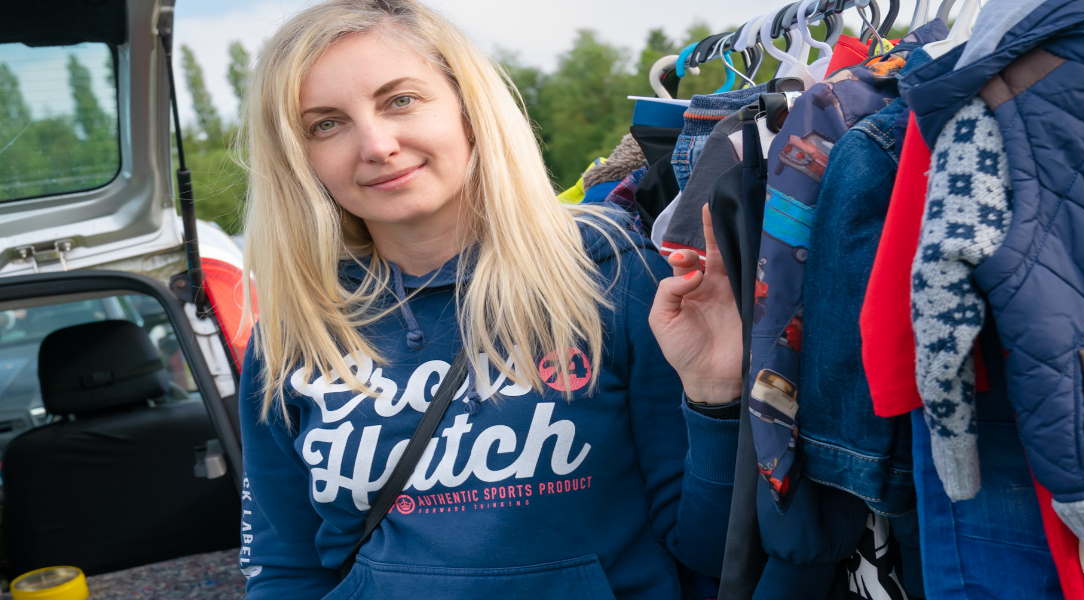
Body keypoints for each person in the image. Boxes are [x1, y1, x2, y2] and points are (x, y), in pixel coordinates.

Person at [235, 1, 744, 598]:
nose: (376, 145)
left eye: (400, 100)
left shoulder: (611, 273)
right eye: (326, 124)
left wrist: (716, 400)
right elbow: (286, 567)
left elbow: (712, 553)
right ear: (299, 159)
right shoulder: (295, 330)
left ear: (468, 109)